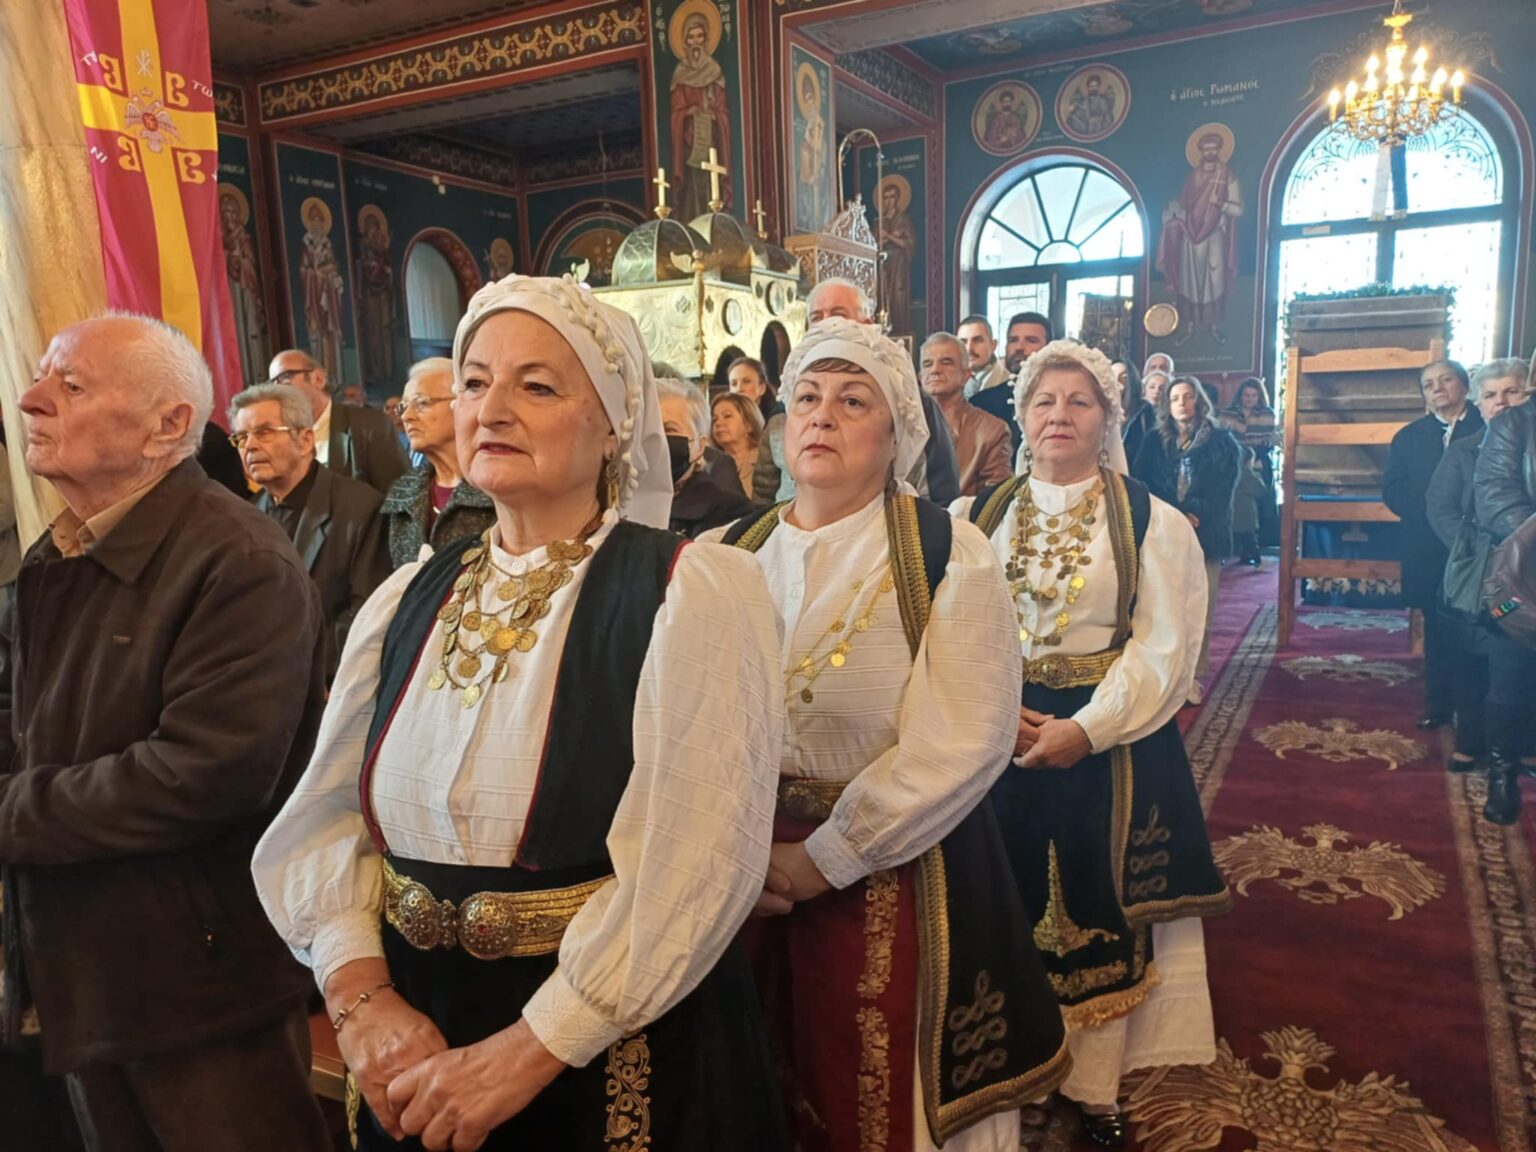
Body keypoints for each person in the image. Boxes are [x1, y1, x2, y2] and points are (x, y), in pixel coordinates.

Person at [251, 275, 789, 1150]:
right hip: (414, 1037)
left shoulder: (689, 591)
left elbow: (696, 862)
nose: (492, 408)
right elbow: (326, 817)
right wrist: (360, 998)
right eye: (474, 382)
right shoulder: (405, 597)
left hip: (609, 1049)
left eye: (537, 385)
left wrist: (525, 1054)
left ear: (613, 422)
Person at [707, 318, 1070, 1152]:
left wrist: (819, 859)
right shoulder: (726, 550)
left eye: (852, 400)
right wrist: (731, 850)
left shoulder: (946, 550)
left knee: (871, 1085)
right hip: (742, 863)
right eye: (807, 398)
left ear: (898, 430)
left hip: (898, 853)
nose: (821, 416)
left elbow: (965, 738)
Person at [6, 313, 330, 1150]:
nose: (31, 400)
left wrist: (9, 813)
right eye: (40, 379)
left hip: (198, 983)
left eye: (70, 385)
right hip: (87, 968)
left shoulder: (238, 560)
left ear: (167, 426)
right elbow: (25, 718)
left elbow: (201, 775)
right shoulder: (59, 553)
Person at [954, 340, 1229, 1145]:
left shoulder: (1152, 521)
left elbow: (1164, 649)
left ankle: (1093, 1085)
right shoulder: (971, 519)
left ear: (1108, 417)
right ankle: (1015, 1070)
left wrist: (1088, 729)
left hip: (1110, 738)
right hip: (997, 735)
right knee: (997, 905)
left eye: (1079, 401)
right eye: (1044, 401)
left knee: (1096, 909)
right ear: (1021, 416)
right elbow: (947, 633)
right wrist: (990, 708)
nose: (1060, 415)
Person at [231, 383, 393, 683]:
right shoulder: (245, 516)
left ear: (305, 440)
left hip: (334, 681)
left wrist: (320, 677)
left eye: (264, 432)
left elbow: (367, 611)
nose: (249, 446)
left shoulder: (361, 507)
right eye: (241, 437)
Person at [1427, 359, 1531, 778]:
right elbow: (1440, 508)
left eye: (1512, 392)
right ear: (1480, 403)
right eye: (1490, 395)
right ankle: (1470, 741)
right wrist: (1473, 549)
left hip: (1530, 574)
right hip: (1479, 573)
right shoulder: (1464, 450)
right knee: (1472, 658)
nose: (1501, 402)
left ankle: (1524, 746)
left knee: (1522, 660)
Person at [1384, 360, 1484, 730]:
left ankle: (1477, 710)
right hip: (1426, 544)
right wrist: (1429, 515)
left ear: (1465, 386)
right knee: (1437, 627)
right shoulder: (1409, 436)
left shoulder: (1487, 427)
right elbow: (1393, 490)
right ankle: (1437, 704)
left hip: (1476, 547)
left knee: (1479, 625)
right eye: (1428, 384)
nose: (1437, 388)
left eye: (1446, 380)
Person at [1132, 375, 1240, 706]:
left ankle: (1194, 673)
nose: (1182, 403)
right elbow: (1142, 482)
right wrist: (1176, 513)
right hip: (1164, 531)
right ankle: (1165, 674)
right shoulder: (1153, 440)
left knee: (1200, 605)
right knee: (1164, 606)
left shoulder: (1221, 442)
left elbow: (1224, 488)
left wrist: (1196, 513)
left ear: (1199, 401)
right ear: (1168, 404)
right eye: (1175, 397)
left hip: (1206, 532)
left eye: (1188, 396)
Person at [805, 277, 960, 504]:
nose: (827, 326)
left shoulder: (911, 403)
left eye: (838, 315)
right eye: (817, 318)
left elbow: (941, 494)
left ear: (867, 325)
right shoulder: (791, 400)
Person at [1472, 365, 1536, 824]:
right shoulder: (1515, 423)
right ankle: (1502, 773)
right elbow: (1495, 497)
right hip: (1523, 577)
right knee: (1510, 678)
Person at [380, 357, 495, 568]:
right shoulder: (403, 493)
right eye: (403, 407)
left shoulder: (497, 487)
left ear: (462, 404)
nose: (406, 416)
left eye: (421, 403)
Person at [269, 348, 410, 495]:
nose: (277, 389)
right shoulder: (279, 436)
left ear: (318, 379)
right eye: (272, 383)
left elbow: (400, 495)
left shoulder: (370, 426)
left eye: (285, 377)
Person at [658, 376, 758, 538]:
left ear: (699, 446)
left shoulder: (729, 514)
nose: (657, 440)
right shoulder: (622, 506)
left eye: (669, 430)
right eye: (650, 429)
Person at [920, 331, 1012, 497]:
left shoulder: (992, 431)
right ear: (919, 377)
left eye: (946, 362)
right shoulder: (900, 426)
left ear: (965, 376)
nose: (935, 370)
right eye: (927, 364)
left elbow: (995, 500)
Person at [972, 311, 1051, 457]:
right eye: (1013, 340)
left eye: (1031, 340)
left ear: (1049, 348)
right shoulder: (981, 404)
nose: (1019, 347)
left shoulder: (1061, 406)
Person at [711, 389, 764, 497]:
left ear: (749, 424)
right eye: (715, 419)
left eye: (727, 416)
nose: (718, 423)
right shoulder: (708, 465)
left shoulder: (764, 459)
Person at [959, 313, 1010, 399]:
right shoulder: (946, 382)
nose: (969, 349)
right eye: (963, 342)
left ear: (993, 345)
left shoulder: (1009, 383)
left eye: (977, 340)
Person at [1232, 447, 1266, 566]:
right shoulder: (1251, 475)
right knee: (1249, 538)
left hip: (1232, 510)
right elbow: (1261, 490)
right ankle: (1256, 558)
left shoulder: (1232, 472)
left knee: (1236, 536)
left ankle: (1242, 556)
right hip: (1247, 511)